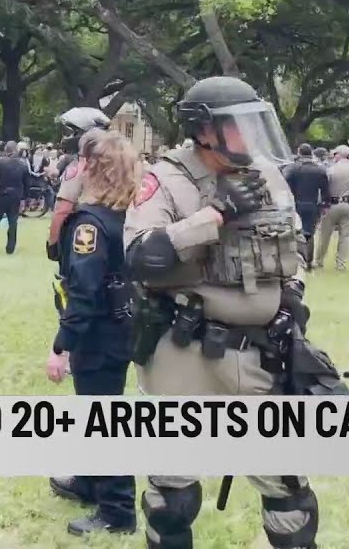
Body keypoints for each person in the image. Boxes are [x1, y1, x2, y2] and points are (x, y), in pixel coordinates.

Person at [124, 76, 323, 549]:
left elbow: (292, 244)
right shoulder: (165, 179)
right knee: (171, 490)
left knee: (286, 482)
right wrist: (212, 217)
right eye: (239, 126)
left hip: (259, 352)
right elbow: (140, 257)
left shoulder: (267, 175)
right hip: (186, 349)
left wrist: (291, 295)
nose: (250, 137)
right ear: (204, 131)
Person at [45, 130, 138, 536]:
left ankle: (116, 511)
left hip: (99, 331)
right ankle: (89, 480)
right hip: (120, 327)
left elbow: (82, 292)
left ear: (91, 169)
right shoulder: (126, 216)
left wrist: (61, 347)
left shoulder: (90, 224)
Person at [48, 107, 112, 260]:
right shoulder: (125, 165)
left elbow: (63, 210)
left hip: (85, 240)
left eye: (72, 131)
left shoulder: (80, 168)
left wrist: (53, 245)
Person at [313, 145, 349, 271]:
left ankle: (319, 260)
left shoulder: (331, 170)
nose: (333, 156)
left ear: (339, 155)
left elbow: (324, 190)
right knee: (345, 236)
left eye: (335, 154)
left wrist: (321, 205)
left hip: (331, 205)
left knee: (325, 234)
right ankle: (341, 264)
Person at [0, 140, 31, 254]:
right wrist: (24, 197)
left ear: (5, 150)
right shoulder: (23, 164)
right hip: (16, 195)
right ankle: (10, 248)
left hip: (1, 194)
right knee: (13, 222)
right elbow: (27, 182)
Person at [284, 143, 329, 266]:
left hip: (296, 204)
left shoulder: (293, 169)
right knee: (310, 233)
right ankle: (309, 260)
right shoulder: (320, 170)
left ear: (299, 152)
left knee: (296, 232)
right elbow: (325, 189)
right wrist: (325, 205)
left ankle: (299, 259)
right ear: (311, 153)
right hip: (312, 204)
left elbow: (285, 186)